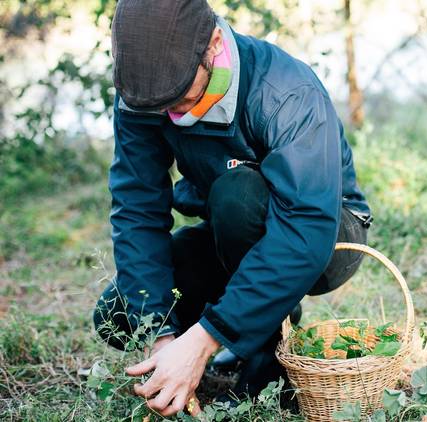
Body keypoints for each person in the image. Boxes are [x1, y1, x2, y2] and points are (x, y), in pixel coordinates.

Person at [92, 0, 371, 417]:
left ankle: (267, 357)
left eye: (183, 97)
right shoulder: (143, 92)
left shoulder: (285, 92)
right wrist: (161, 334)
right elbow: (137, 209)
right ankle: (216, 336)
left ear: (214, 44)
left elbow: (306, 228)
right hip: (230, 232)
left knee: (237, 195)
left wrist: (208, 336)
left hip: (327, 235)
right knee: (119, 313)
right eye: (161, 106)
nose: (173, 114)